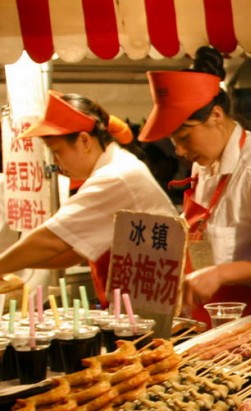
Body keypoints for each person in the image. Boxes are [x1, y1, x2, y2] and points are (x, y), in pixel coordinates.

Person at [138, 47, 251, 325]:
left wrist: (221, 273)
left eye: (185, 137)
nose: (180, 152)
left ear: (216, 116)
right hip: (213, 315)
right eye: (174, 142)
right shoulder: (203, 165)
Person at [2, 91, 175, 306]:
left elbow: (51, 240)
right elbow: (72, 253)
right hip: (145, 298)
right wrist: (12, 267)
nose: (58, 163)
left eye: (58, 152)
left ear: (84, 140)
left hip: (158, 301)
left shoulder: (116, 176)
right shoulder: (117, 165)